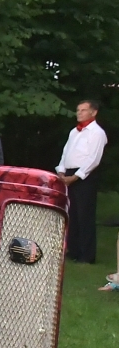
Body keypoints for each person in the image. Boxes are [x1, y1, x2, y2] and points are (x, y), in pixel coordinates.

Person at [56, 99, 107, 264]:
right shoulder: (74, 132)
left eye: (83, 110)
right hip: (69, 173)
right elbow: (66, 152)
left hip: (85, 176)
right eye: (78, 110)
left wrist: (76, 176)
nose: (79, 113)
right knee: (72, 214)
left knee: (85, 215)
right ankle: (74, 250)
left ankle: (87, 255)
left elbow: (93, 159)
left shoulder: (97, 133)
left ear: (94, 112)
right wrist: (61, 170)